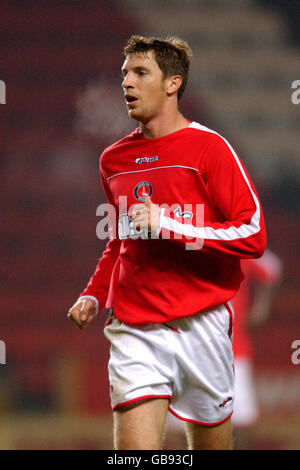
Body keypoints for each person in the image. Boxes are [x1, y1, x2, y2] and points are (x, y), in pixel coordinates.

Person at [67, 35, 267, 450]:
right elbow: (122, 239)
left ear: (173, 83)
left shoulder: (211, 148)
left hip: (203, 323)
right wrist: (94, 292)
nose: (127, 83)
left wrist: (171, 224)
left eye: (141, 73)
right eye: (125, 74)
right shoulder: (113, 160)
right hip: (135, 324)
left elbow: (252, 234)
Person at [232, 249, 282, 449]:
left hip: (234, 349)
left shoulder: (240, 247)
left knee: (243, 416)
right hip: (193, 348)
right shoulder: (191, 246)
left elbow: (273, 269)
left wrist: (262, 307)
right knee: (184, 419)